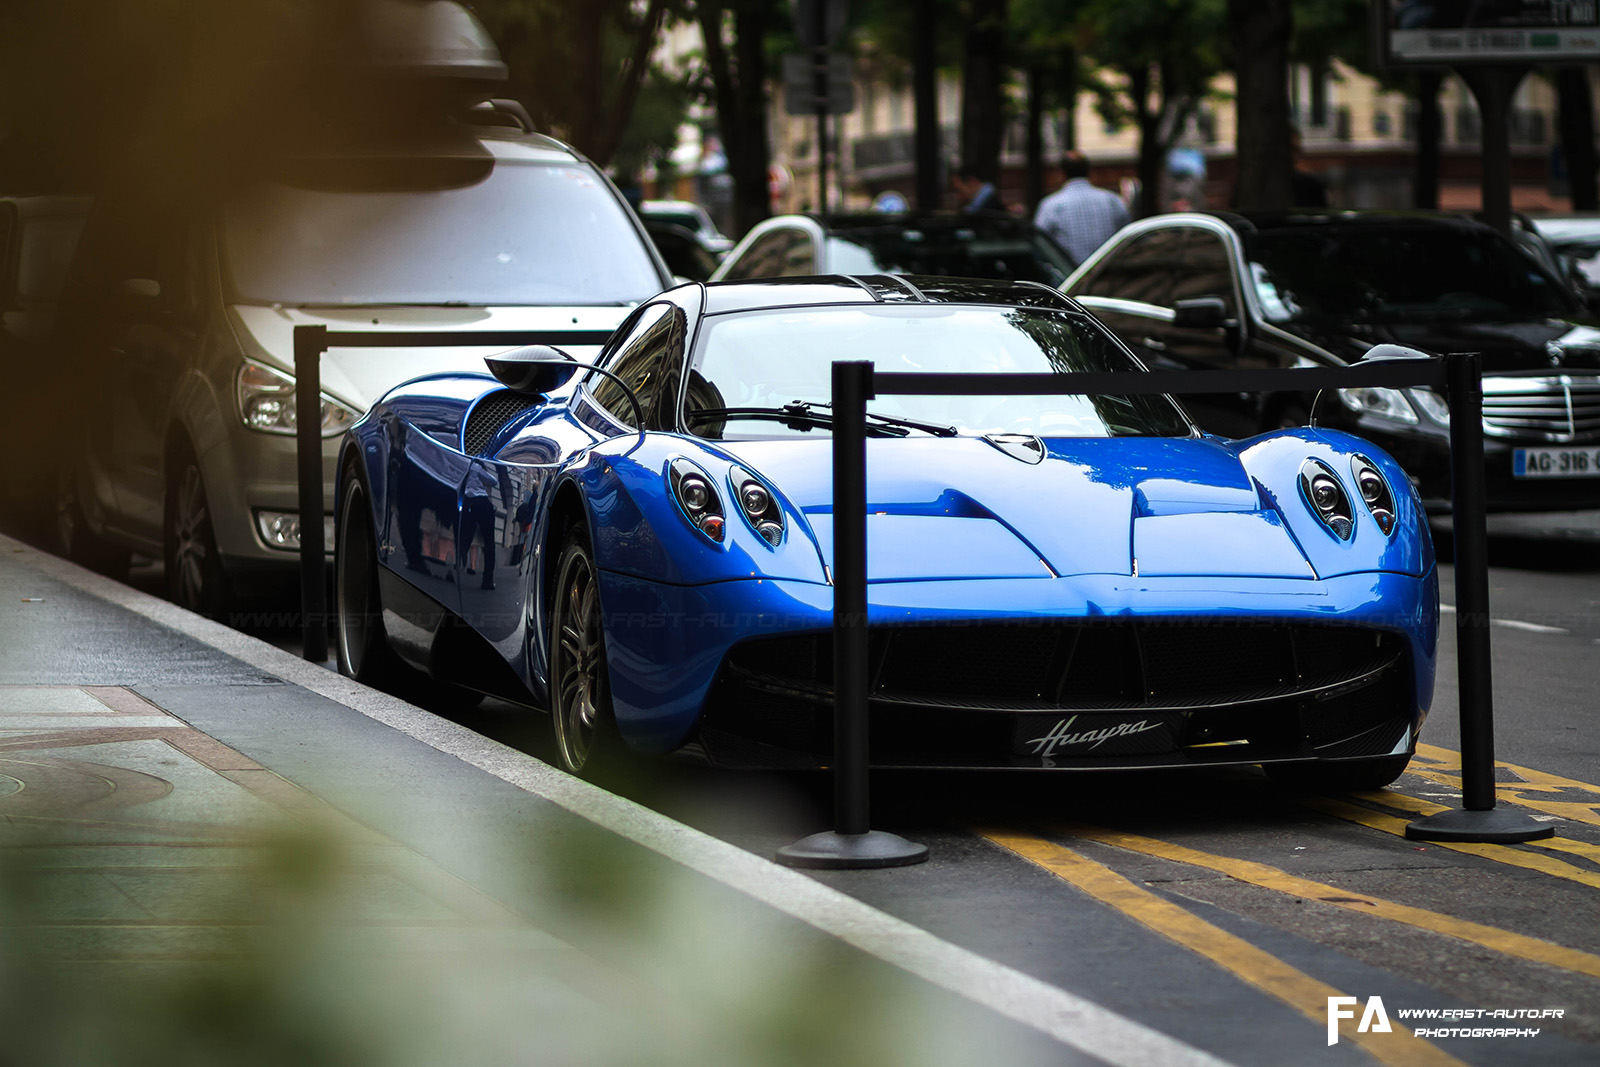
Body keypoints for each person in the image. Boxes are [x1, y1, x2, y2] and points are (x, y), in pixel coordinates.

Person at [1033, 151, 1129, 267]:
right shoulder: (1112, 200)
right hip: (1107, 273)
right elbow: (1126, 237)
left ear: (1062, 173)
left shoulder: (1051, 205)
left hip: (1071, 276)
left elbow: (1039, 242)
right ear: (1089, 172)